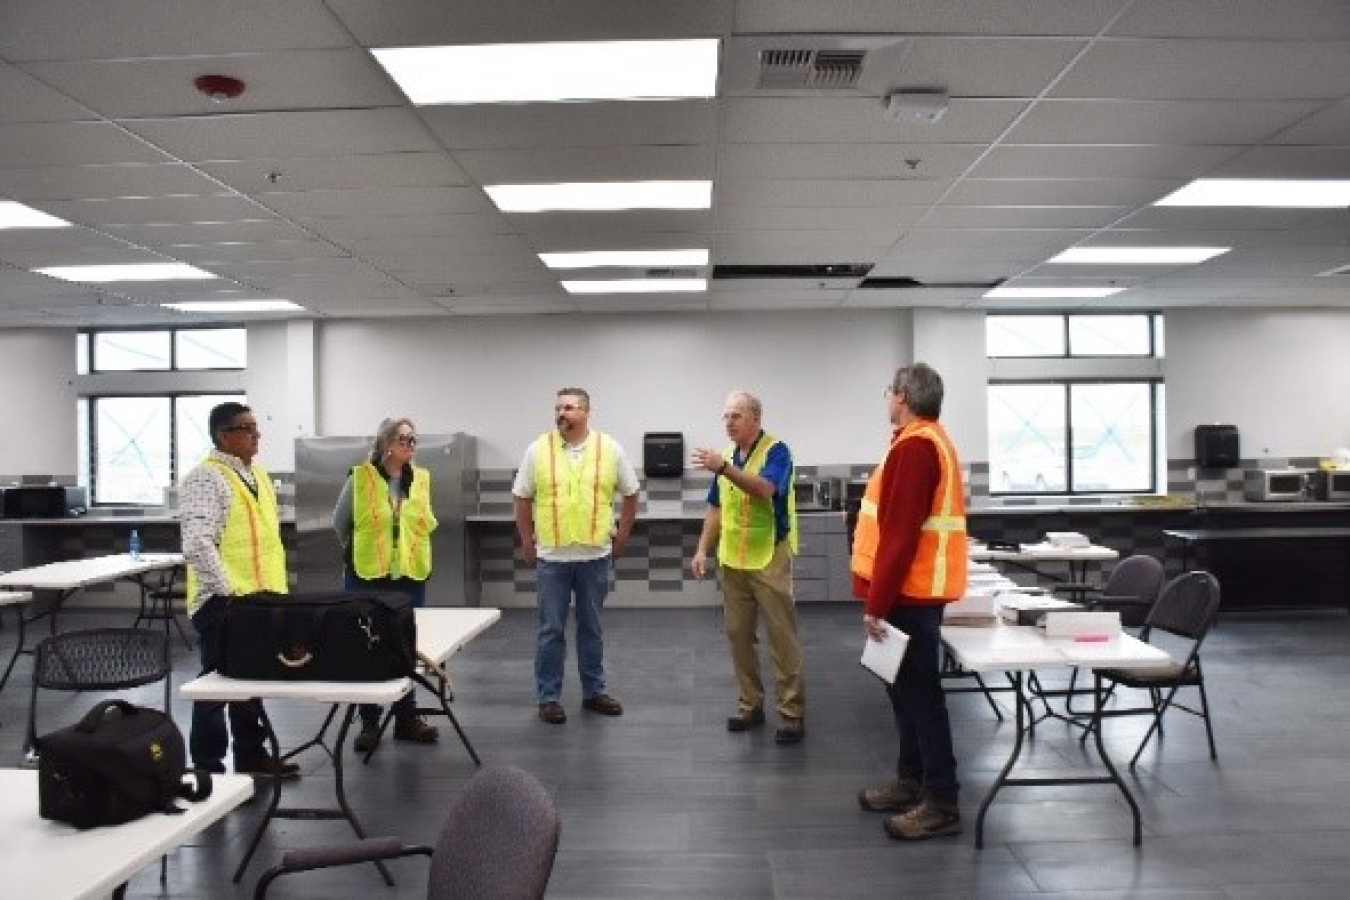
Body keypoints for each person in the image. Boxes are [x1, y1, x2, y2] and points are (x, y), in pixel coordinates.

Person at [852, 363, 969, 840]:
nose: (888, 401)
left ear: (902, 396)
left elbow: (900, 537)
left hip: (910, 595)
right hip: (912, 593)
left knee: (922, 697)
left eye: (890, 394)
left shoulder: (918, 446)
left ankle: (941, 800)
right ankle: (912, 780)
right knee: (903, 692)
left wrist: (876, 604)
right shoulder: (920, 440)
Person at [181, 401, 299, 778]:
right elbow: (198, 542)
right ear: (223, 435)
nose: (256, 435)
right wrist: (227, 590)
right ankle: (208, 766)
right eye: (247, 428)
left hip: (260, 599)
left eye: (256, 427)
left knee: (250, 677)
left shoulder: (259, 476)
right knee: (215, 684)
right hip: (224, 601)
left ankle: (251, 755)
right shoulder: (207, 477)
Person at [513, 387, 638, 725]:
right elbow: (521, 498)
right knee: (550, 629)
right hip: (552, 556)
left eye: (569, 408)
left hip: (595, 554)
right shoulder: (537, 450)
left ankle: (594, 691)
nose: (562, 413)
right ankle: (548, 697)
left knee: (591, 627)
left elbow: (630, 492)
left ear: (586, 412)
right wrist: (527, 540)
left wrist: (623, 535)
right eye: (558, 408)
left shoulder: (609, 449)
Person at [690, 390, 806, 745]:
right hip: (733, 560)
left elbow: (766, 489)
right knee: (738, 635)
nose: (728, 423)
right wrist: (701, 550)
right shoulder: (726, 456)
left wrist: (724, 468)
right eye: (725, 416)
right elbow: (716, 507)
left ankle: (791, 714)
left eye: (736, 416)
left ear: (755, 418)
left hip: (769, 555)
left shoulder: (777, 451)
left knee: (781, 636)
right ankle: (750, 704)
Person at [333, 417, 440, 753]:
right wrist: (360, 553)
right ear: (386, 444)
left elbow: (423, 522)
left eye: (413, 440)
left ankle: (407, 717)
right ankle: (369, 721)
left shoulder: (420, 478)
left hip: (409, 574)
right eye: (403, 439)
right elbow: (340, 523)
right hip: (367, 573)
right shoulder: (360, 478)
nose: (410, 445)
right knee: (368, 646)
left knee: (406, 646)